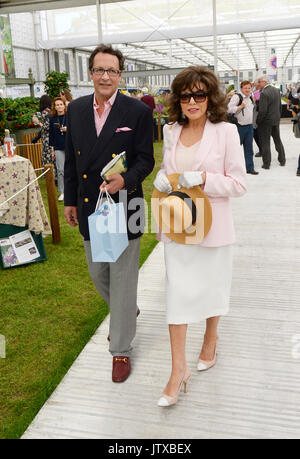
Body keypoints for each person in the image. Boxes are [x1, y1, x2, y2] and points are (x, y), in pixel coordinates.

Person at [153, 66, 247, 407]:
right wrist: (162, 179)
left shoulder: (225, 133)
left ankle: (211, 338)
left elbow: (239, 184)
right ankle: (178, 370)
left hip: (213, 226)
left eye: (199, 95)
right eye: (186, 95)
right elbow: (167, 169)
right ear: (178, 99)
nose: (192, 101)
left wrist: (204, 178)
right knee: (176, 295)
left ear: (210, 97)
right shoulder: (171, 130)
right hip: (178, 226)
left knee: (212, 289)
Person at [64, 44, 154, 383]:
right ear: (90, 73)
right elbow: (72, 161)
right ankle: (126, 310)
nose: (105, 76)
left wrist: (126, 180)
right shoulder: (75, 110)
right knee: (99, 273)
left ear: (120, 74)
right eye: (99, 70)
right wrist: (69, 200)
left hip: (125, 204)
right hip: (91, 206)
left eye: (112, 70)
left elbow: (147, 159)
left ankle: (120, 349)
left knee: (123, 276)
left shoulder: (137, 112)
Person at [227, 80, 258, 175]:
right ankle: (232, 169)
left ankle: (250, 168)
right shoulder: (237, 97)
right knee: (235, 149)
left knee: (249, 149)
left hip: (249, 127)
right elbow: (229, 109)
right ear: (241, 89)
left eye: (249, 88)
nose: (248, 90)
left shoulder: (251, 97)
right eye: (245, 88)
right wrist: (240, 106)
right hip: (239, 127)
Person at [256, 75, 286, 169]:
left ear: (265, 82)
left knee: (265, 143)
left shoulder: (264, 93)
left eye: (260, 82)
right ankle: (282, 160)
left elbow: (262, 111)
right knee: (277, 140)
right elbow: (279, 106)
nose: (258, 83)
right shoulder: (276, 90)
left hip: (266, 122)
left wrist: (258, 121)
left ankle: (266, 164)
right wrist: (278, 117)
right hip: (275, 120)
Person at [49, 97, 68, 201]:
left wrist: (67, 129)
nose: (59, 106)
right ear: (54, 107)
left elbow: (76, 131)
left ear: (64, 105)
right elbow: (51, 136)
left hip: (69, 147)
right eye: (57, 105)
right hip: (58, 148)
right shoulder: (52, 119)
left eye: (61, 104)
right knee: (60, 170)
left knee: (70, 170)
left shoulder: (69, 116)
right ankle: (62, 192)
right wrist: (52, 151)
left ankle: (73, 190)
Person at [32, 95, 54, 168]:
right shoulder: (51, 111)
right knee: (52, 157)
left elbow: (46, 127)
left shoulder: (44, 112)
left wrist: (37, 122)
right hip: (52, 137)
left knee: (47, 157)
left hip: (47, 139)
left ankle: (49, 175)